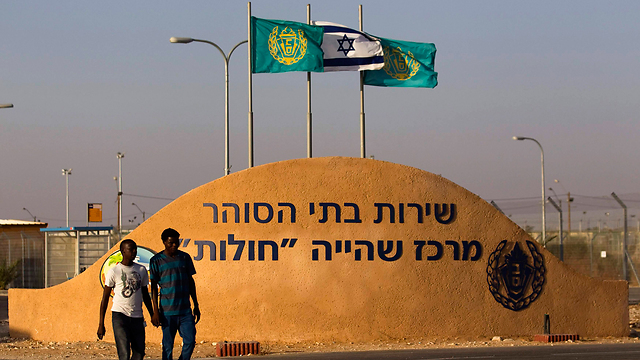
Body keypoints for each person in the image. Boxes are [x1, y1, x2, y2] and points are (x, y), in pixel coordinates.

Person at [98, 239, 154, 360]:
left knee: (139, 353)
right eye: (131, 249)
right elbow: (105, 299)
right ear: (123, 251)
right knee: (124, 354)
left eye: (135, 249)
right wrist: (101, 324)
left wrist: (152, 314)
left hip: (137, 317)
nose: (134, 251)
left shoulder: (141, 270)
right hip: (120, 316)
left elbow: (145, 294)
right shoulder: (114, 271)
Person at [149, 228, 200, 360]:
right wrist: (155, 311)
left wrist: (196, 304)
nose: (174, 245)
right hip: (167, 312)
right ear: (164, 242)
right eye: (171, 243)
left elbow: (191, 282)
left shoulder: (185, 257)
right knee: (167, 346)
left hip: (185, 311)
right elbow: (153, 288)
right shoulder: (156, 260)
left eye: (176, 242)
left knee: (190, 341)